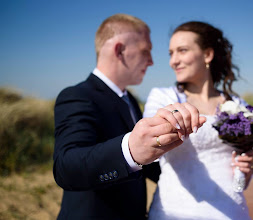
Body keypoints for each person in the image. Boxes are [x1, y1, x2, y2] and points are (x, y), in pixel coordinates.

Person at [53, 14, 205, 220]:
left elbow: (147, 165)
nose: (152, 62)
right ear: (119, 50)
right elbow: (66, 167)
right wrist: (130, 150)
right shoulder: (78, 96)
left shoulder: (130, 100)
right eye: (146, 51)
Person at [144, 21, 253, 219]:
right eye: (171, 53)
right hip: (173, 212)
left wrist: (245, 174)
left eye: (182, 50)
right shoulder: (163, 97)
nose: (173, 61)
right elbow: (150, 142)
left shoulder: (238, 106)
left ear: (207, 55)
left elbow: (241, 185)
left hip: (230, 212)